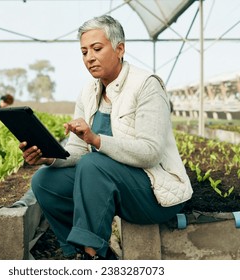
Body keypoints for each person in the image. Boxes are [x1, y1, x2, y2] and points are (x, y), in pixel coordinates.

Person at [19, 15, 193, 260]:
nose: (89, 57)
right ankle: (76, 253)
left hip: (153, 192)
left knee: (93, 164)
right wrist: (49, 157)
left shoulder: (146, 85)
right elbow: (77, 152)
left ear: (119, 49)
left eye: (97, 49)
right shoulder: (88, 92)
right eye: (84, 52)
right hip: (109, 185)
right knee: (44, 181)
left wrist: (97, 140)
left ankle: (91, 256)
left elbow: (151, 152)